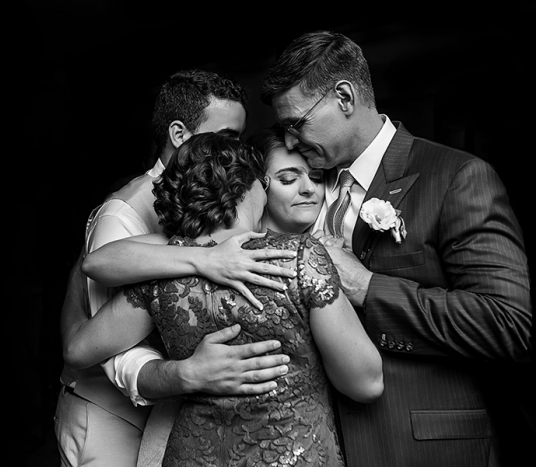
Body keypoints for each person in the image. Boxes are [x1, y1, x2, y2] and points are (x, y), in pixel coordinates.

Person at [260, 30, 532, 467]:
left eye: (296, 124)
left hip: (421, 448)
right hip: (315, 447)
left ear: (345, 97)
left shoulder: (456, 177)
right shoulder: (300, 187)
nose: (290, 142)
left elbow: (508, 325)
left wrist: (368, 286)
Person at [68, 132, 383, 466]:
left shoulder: (159, 271)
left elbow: (79, 350)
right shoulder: (299, 258)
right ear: (244, 188)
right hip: (294, 452)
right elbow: (366, 383)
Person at [55, 69, 297, 467]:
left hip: (175, 418)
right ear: (180, 135)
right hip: (110, 417)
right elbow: (110, 353)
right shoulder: (122, 216)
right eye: (226, 138)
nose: (233, 153)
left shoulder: (221, 207)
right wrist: (188, 374)